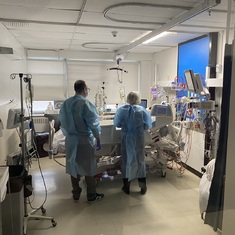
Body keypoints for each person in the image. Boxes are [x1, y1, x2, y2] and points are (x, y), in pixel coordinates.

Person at [59, 80, 104, 203]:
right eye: (87, 89)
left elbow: (62, 122)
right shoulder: (85, 103)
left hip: (71, 141)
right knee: (88, 167)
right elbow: (93, 123)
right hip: (84, 141)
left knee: (73, 166)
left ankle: (76, 193)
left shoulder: (66, 103)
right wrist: (98, 137)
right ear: (84, 89)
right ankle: (91, 195)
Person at [113, 91, 152, 195]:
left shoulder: (122, 110)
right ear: (138, 99)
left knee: (126, 161)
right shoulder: (142, 111)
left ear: (128, 99)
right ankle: (143, 188)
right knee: (140, 161)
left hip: (126, 138)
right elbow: (147, 125)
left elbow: (117, 123)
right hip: (138, 138)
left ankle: (126, 188)